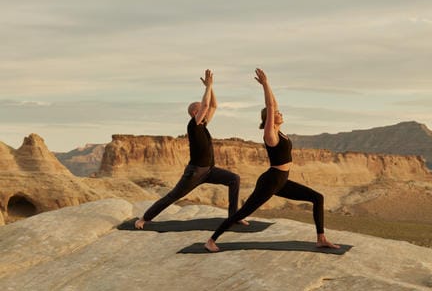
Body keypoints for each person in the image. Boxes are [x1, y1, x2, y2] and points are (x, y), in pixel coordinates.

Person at [204, 68, 339, 252]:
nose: (280, 113)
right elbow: (271, 105)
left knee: (317, 198)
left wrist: (269, 86)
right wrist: (265, 85)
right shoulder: (270, 134)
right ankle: (211, 240)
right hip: (271, 181)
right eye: (277, 113)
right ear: (269, 118)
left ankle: (321, 238)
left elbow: (274, 104)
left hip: (281, 180)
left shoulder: (280, 132)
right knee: (243, 212)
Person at [135, 69, 248, 229]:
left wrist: (211, 87)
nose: (206, 110)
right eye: (202, 109)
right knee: (173, 196)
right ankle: (144, 218)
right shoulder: (193, 125)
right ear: (196, 112)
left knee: (234, 179)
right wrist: (207, 87)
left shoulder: (203, 124)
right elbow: (207, 104)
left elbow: (213, 105)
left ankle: (234, 217)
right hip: (195, 172)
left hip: (209, 170)